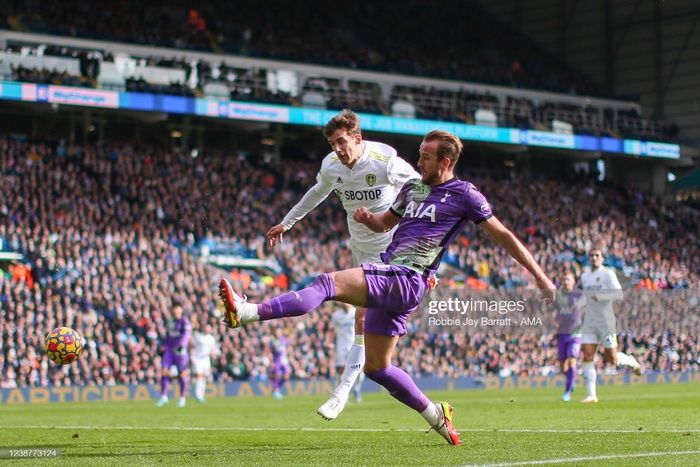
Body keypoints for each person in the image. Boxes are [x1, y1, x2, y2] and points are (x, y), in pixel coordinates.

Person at [220, 129, 556, 445]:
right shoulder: (413, 189)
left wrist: (541, 278)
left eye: (426, 156)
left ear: (445, 162)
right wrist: (369, 219)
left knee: (327, 283)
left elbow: (505, 236)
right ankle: (437, 415)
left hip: (408, 277)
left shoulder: (465, 194)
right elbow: (387, 223)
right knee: (378, 368)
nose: (419, 161)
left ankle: (248, 313)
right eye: (420, 154)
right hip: (396, 276)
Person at [266, 109, 420, 419]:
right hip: (361, 249)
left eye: (342, 142)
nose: (337, 149)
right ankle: (361, 391)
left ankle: (342, 392)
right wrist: (288, 222)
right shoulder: (331, 166)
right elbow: (316, 193)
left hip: (394, 250)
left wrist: (419, 244)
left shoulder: (384, 159)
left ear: (357, 139)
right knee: (371, 340)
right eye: (332, 144)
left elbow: (421, 187)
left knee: (362, 320)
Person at [580, 245, 641, 403]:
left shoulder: (608, 274)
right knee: (587, 355)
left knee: (612, 359)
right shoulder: (585, 276)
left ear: (602, 258)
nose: (594, 258)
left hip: (605, 320)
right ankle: (591, 395)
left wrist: (601, 296)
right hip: (589, 320)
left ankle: (631, 362)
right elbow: (585, 296)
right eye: (591, 256)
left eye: (597, 256)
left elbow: (618, 293)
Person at [555, 270, 585, 402]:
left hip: (576, 334)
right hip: (561, 333)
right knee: (562, 366)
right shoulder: (558, 295)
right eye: (563, 280)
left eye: (568, 279)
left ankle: (567, 392)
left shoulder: (579, 294)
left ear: (573, 281)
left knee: (572, 360)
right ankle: (570, 380)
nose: (565, 282)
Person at [156, 302, 192, 407]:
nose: (175, 310)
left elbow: (186, 335)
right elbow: (168, 335)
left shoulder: (184, 321)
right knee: (164, 371)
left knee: (182, 375)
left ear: (181, 310)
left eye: (177, 308)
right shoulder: (170, 321)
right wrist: (165, 346)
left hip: (180, 352)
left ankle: (182, 398)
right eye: (174, 308)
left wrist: (182, 345)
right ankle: (163, 397)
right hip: (169, 351)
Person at [330, 303, 363, 402]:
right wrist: (330, 342)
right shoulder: (336, 315)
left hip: (355, 344)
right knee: (341, 370)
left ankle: (357, 390)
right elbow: (333, 330)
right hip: (341, 346)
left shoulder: (356, 311)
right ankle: (343, 393)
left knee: (358, 369)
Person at [191, 322, 219, 403]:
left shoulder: (211, 338)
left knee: (204, 377)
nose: (207, 329)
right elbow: (193, 347)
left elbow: (212, 349)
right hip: (198, 358)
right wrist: (192, 357)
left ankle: (201, 395)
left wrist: (213, 355)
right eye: (206, 328)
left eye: (209, 328)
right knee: (199, 376)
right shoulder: (198, 337)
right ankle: (197, 395)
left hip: (206, 359)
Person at [270, 327, 291, 399]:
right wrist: (272, 361)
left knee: (286, 376)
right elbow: (270, 351)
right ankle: (276, 390)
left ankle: (277, 388)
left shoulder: (284, 340)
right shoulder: (273, 341)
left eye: (279, 331)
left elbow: (287, 349)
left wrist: (289, 357)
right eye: (277, 332)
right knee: (276, 375)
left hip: (284, 360)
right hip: (277, 360)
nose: (278, 333)